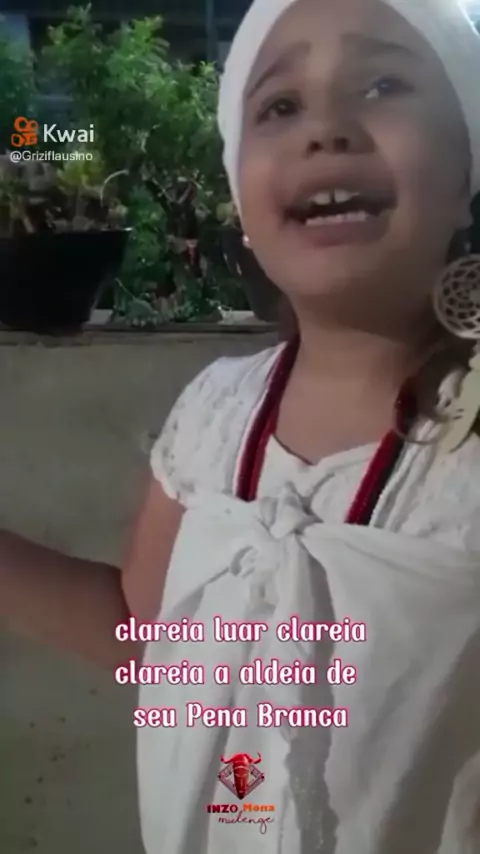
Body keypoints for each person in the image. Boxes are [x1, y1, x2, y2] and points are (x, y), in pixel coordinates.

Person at [2, 0, 480, 851]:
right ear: (242, 208)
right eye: (280, 105)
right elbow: (150, 637)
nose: (326, 129)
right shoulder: (215, 415)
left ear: (465, 173)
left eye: (382, 85)